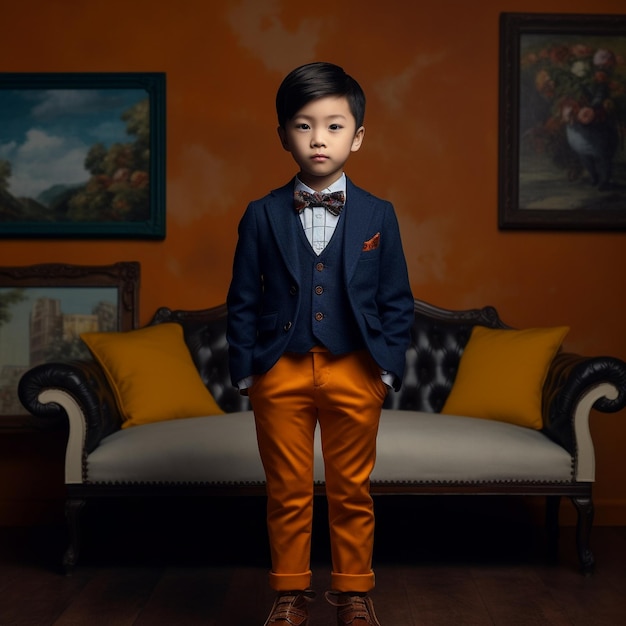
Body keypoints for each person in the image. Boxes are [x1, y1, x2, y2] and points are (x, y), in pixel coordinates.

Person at [226, 61, 414, 626]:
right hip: (278, 370)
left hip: (356, 367)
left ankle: (354, 592)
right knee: (287, 490)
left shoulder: (379, 214)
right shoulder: (261, 214)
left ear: (357, 137)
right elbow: (242, 299)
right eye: (304, 126)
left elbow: (397, 299)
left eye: (334, 126)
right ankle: (290, 592)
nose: (318, 139)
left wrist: (385, 371)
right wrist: (247, 374)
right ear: (283, 134)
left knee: (352, 489)